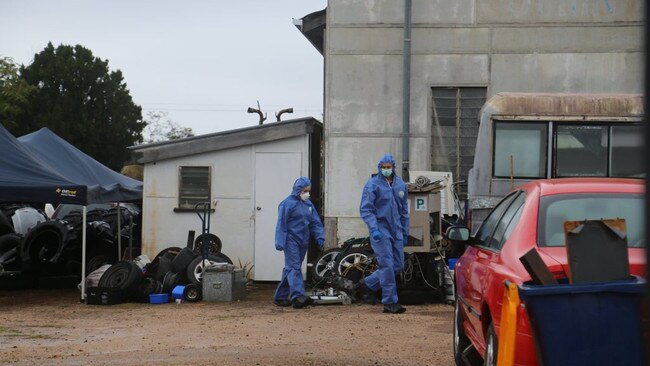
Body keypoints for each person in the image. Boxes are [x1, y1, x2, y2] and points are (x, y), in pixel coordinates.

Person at [357, 154, 409, 314]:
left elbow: (404, 211)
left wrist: (405, 231)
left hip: (397, 230)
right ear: (379, 168)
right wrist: (374, 228)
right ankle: (390, 302)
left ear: (393, 167)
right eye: (383, 167)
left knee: (398, 265)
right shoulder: (373, 185)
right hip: (381, 229)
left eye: (389, 167)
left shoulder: (400, 184)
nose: (386, 169)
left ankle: (367, 284)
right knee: (386, 265)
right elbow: (366, 209)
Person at [273, 177, 325, 309]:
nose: (307, 193)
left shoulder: (308, 204)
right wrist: (280, 241)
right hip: (291, 240)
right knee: (294, 267)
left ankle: (280, 297)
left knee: (291, 268)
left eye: (308, 190)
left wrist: (320, 236)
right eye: (305, 190)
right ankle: (298, 296)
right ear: (298, 190)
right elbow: (281, 224)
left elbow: (315, 222)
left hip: (303, 240)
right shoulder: (287, 204)